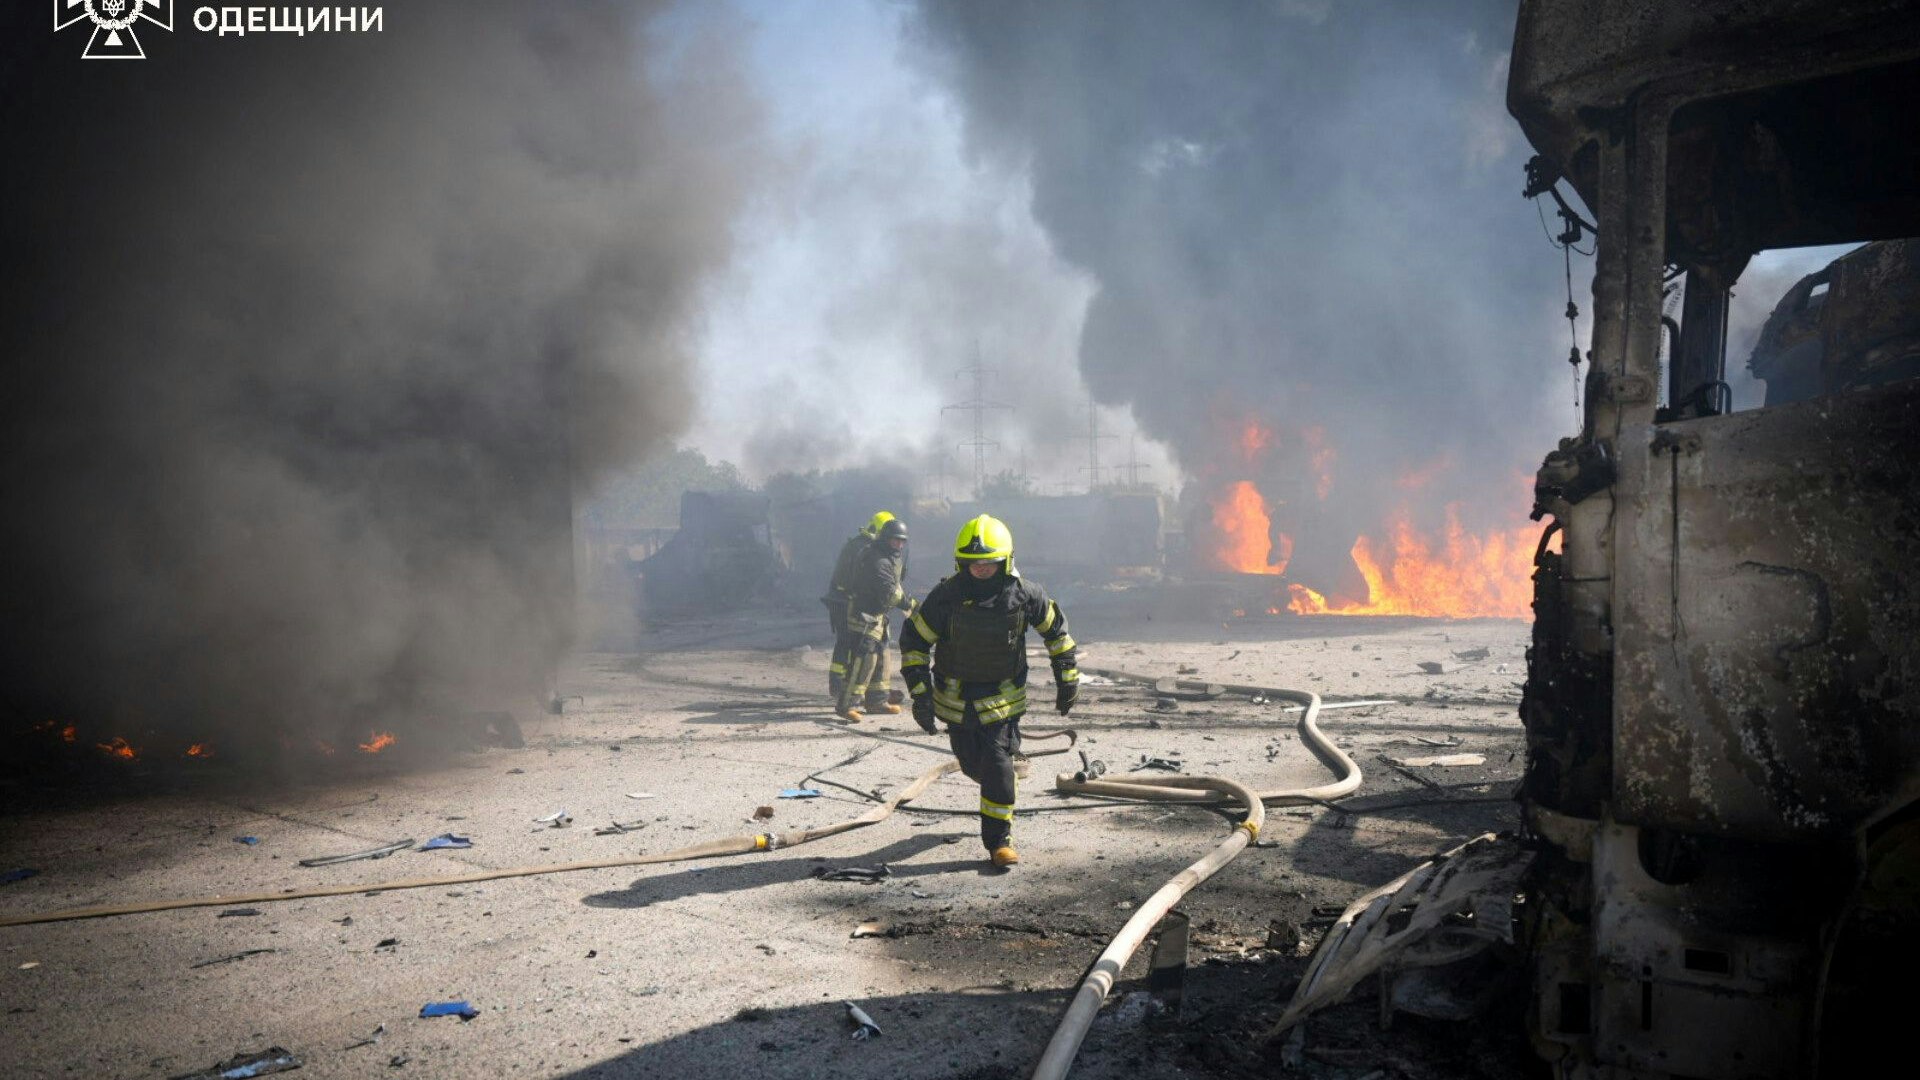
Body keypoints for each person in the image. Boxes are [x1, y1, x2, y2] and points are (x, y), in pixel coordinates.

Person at [898, 514, 1078, 867]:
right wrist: (920, 694)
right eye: (973, 564)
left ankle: (999, 842)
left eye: (989, 563)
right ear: (961, 563)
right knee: (973, 764)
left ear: (1005, 560)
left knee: (996, 766)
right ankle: (1004, 775)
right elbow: (915, 642)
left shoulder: (1025, 595)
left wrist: (1067, 677)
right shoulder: (945, 597)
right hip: (956, 702)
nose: (981, 569)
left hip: (1001, 701)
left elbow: (1057, 633)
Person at [837, 517, 914, 721]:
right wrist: (911, 605)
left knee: (882, 657)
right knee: (863, 659)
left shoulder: (889, 557)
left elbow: (895, 584)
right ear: (885, 538)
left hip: (878, 616)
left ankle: (877, 701)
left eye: (902, 541)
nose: (899, 544)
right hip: (864, 615)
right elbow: (890, 593)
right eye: (895, 540)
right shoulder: (876, 559)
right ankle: (847, 705)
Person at [824, 511, 893, 702]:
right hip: (847, 601)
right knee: (852, 644)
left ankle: (871, 691)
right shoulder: (867, 549)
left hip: (843, 599)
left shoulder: (858, 544)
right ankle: (841, 687)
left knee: (851, 643)